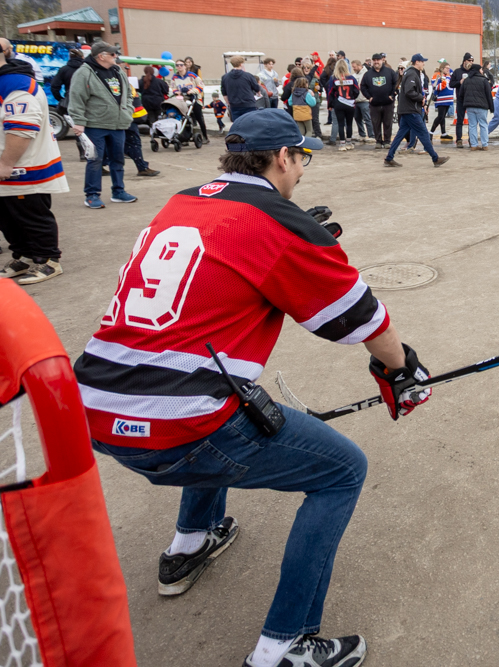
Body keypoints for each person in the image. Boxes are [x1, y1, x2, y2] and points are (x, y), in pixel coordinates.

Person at [72, 107, 426, 667]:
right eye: (301, 159)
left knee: (224, 398)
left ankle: (190, 543)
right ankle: (285, 645)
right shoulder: (279, 223)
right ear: (283, 157)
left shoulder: (184, 200)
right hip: (181, 425)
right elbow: (361, 320)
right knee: (341, 471)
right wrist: (401, 368)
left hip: (94, 406)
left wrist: (289, 232)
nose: (301, 170)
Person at [0, 38, 68, 285]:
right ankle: (24, 256)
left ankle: (48, 260)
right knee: (8, 218)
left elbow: (21, 128)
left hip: (23, 167)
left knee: (31, 216)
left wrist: (6, 163)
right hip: (10, 167)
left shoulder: (15, 84)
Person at [67, 41, 137, 209]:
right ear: (101, 56)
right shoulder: (84, 73)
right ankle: (92, 195)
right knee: (95, 160)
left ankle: (118, 191)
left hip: (118, 124)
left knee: (118, 159)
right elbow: (76, 98)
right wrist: (79, 122)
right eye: (112, 54)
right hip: (95, 124)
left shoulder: (117, 71)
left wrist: (128, 109)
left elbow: (128, 93)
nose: (116, 56)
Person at [384, 54, 448, 167]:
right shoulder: (412, 74)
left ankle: (389, 158)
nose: (424, 64)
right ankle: (435, 158)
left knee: (400, 134)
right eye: (422, 62)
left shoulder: (410, 73)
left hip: (407, 109)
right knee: (423, 133)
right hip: (411, 110)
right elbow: (409, 91)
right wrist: (421, 98)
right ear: (417, 62)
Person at [50, 48, 87, 160]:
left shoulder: (64, 69)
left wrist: (61, 99)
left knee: (77, 127)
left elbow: (54, 86)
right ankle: (93, 151)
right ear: (82, 57)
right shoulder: (87, 68)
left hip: (71, 100)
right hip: (87, 100)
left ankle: (82, 153)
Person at [362, 54, 397, 148]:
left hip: (388, 103)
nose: (376, 62)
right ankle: (378, 141)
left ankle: (387, 142)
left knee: (388, 123)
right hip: (374, 104)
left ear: (382, 60)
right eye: (374, 60)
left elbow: (396, 84)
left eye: (378, 60)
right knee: (375, 123)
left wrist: (392, 95)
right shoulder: (368, 74)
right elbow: (363, 87)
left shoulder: (390, 72)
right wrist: (369, 97)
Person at [170, 59, 209, 142]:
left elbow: (201, 85)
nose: (179, 67)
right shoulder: (174, 77)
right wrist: (176, 92)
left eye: (181, 65)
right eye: (177, 65)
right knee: (183, 118)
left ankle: (205, 136)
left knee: (199, 118)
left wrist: (193, 91)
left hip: (194, 99)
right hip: (182, 100)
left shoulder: (192, 75)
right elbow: (173, 87)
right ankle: (184, 137)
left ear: (185, 66)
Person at [458, 63, 492, 151]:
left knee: (472, 125)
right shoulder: (484, 80)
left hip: (469, 106)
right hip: (482, 106)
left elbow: (461, 94)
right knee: (483, 125)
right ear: (478, 70)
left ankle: (474, 145)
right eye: (481, 69)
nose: (482, 71)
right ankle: (484, 144)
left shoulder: (466, 80)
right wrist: (491, 107)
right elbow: (488, 95)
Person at [328, 60, 359, 151]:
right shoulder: (352, 78)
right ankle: (349, 142)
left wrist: (330, 104)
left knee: (340, 124)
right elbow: (357, 90)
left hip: (339, 103)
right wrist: (352, 98)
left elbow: (330, 92)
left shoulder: (334, 78)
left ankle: (342, 144)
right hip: (350, 103)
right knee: (349, 123)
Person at [222, 56, 265, 121]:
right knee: (250, 123)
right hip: (248, 104)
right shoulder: (248, 76)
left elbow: (224, 93)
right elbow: (256, 88)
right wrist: (259, 94)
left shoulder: (225, 77)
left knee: (238, 124)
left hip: (234, 105)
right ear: (241, 64)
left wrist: (228, 103)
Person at [449, 53, 474, 147]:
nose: (471, 62)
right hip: (460, 99)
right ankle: (459, 139)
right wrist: (459, 82)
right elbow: (451, 84)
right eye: (469, 60)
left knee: (472, 121)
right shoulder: (457, 72)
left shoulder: (473, 72)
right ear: (464, 61)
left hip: (471, 99)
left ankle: (472, 139)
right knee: (460, 120)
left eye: (472, 61)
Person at [351, 60, 374, 142]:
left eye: (354, 67)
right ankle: (362, 134)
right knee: (357, 118)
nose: (353, 68)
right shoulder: (354, 75)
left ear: (359, 65)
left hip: (364, 100)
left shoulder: (366, 74)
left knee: (367, 118)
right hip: (356, 100)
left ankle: (371, 135)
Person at [430, 65, 455, 141]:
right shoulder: (437, 75)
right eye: (446, 68)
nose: (448, 69)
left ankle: (443, 133)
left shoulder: (449, 75)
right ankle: (431, 132)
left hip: (448, 99)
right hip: (441, 99)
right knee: (440, 116)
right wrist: (442, 84)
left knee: (443, 116)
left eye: (449, 68)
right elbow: (435, 86)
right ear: (442, 68)